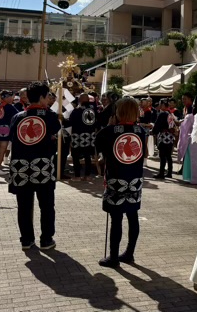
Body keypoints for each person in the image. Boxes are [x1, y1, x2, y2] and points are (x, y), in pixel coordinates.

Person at [8, 81, 60, 250]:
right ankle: (46, 239)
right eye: (47, 96)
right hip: (43, 167)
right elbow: (55, 132)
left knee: (23, 205)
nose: (49, 100)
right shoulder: (50, 116)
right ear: (42, 97)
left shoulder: (17, 117)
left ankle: (26, 239)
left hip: (21, 167)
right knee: (46, 205)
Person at [95, 97, 146, 267]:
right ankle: (129, 253)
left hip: (116, 180)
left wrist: (110, 125)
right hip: (135, 180)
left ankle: (114, 257)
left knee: (116, 218)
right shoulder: (141, 131)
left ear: (118, 112)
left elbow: (98, 145)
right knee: (133, 215)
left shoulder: (109, 132)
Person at [64, 93, 98, 181]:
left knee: (75, 156)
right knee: (87, 156)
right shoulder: (93, 109)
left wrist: (62, 119)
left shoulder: (78, 110)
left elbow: (70, 122)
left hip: (78, 136)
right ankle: (87, 175)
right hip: (90, 136)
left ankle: (78, 176)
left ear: (81, 100)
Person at [0, 90, 18, 176]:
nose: (12, 98)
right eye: (10, 97)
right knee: (2, 149)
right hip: (5, 128)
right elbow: (18, 115)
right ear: (6, 97)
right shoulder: (9, 107)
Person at [151, 99, 176, 179]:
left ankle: (161, 172)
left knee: (162, 155)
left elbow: (157, 125)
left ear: (163, 105)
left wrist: (154, 131)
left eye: (161, 104)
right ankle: (169, 172)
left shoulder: (162, 114)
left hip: (164, 136)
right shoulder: (171, 114)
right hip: (170, 137)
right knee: (168, 155)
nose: (160, 106)